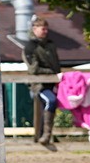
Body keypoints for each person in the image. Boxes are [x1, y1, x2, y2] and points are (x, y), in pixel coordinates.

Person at [23, 15, 62, 146]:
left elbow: (56, 64)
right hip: (39, 84)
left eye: (46, 29)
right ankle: (45, 135)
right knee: (50, 101)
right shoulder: (30, 47)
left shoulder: (50, 45)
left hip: (53, 83)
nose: (44, 31)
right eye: (42, 29)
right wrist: (52, 73)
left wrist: (57, 75)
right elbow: (34, 69)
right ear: (34, 29)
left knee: (52, 105)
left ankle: (44, 135)